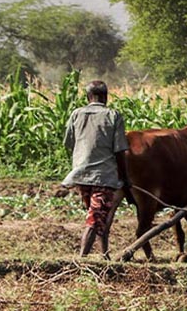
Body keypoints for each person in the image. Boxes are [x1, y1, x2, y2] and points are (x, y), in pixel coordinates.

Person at [62, 80, 129, 259]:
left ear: (88, 97)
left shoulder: (76, 114)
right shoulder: (113, 116)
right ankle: (81, 260)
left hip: (80, 174)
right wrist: (124, 177)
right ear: (106, 97)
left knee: (95, 215)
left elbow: (68, 142)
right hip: (104, 176)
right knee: (94, 220)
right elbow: (120, 150)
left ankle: (104, 255)